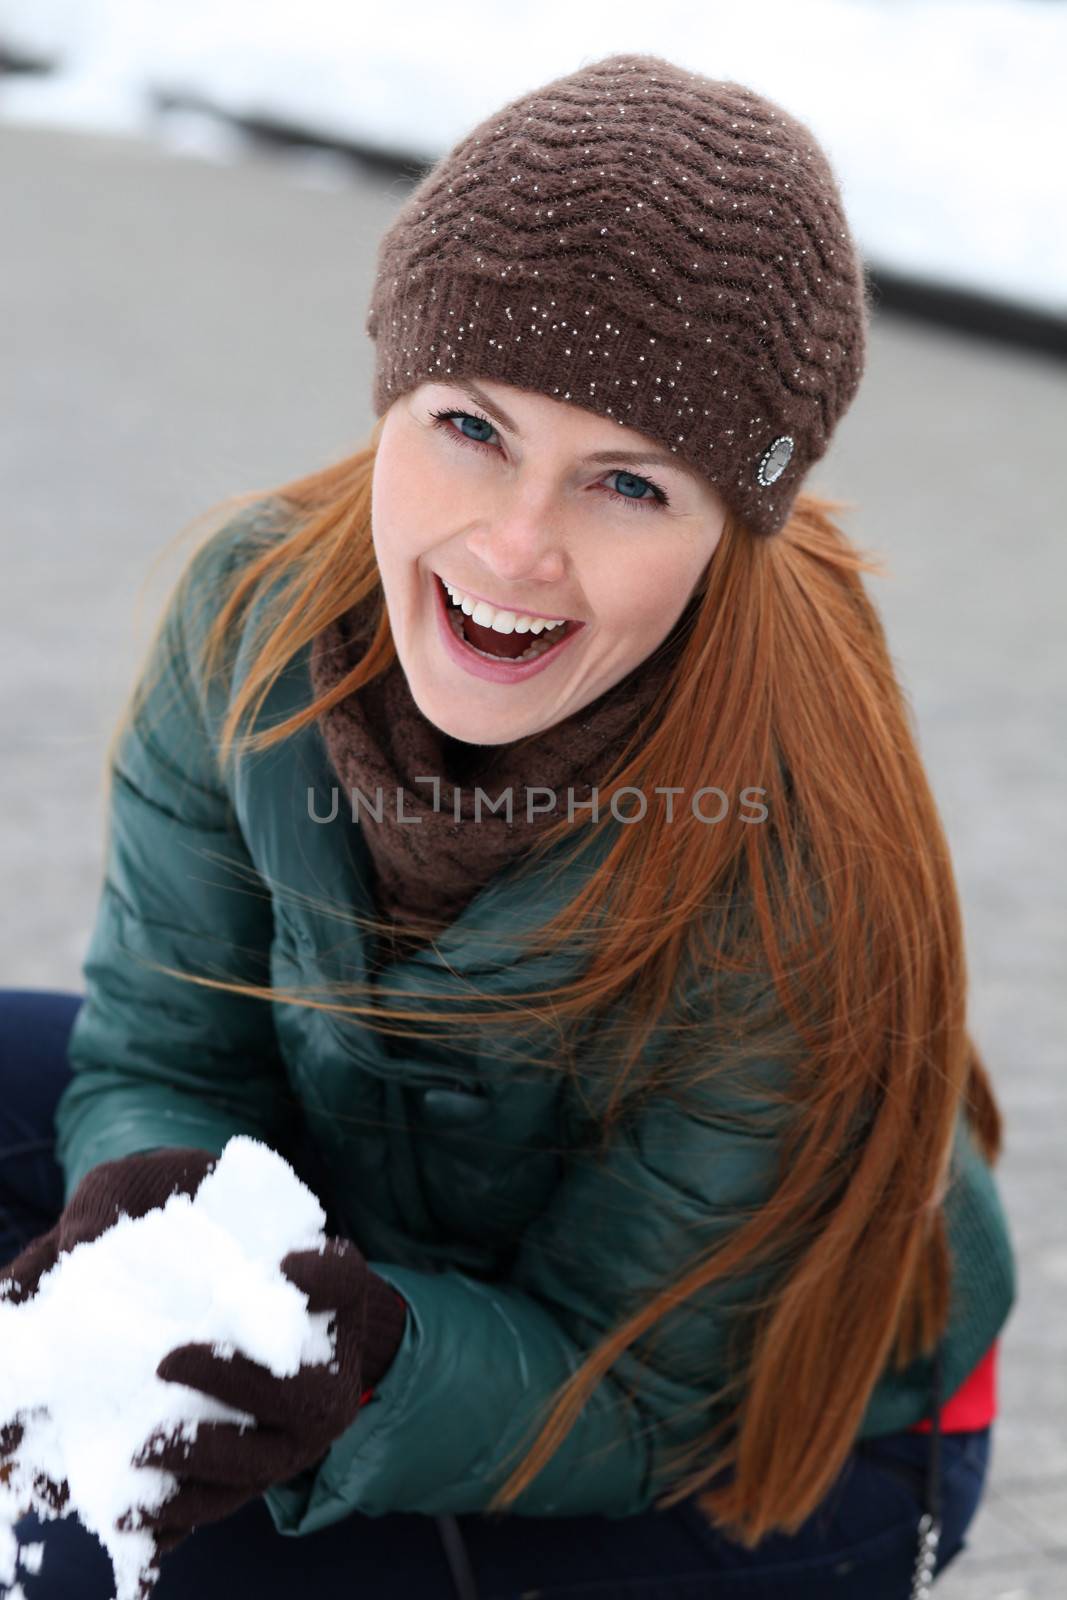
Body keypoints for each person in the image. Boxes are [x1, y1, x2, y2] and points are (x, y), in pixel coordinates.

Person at [0, 50, 1014, 1600]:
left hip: (763, 1437)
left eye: (626, 482)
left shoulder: (794, 854)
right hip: (408, 1211)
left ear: (730, 523)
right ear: (392, 392)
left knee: (99, 1556)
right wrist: (149, 1196)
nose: (517, 549)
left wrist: (359, 1361)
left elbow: (643, 1385)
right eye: (471, 428)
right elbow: (163, 1044)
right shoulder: (256, 613)